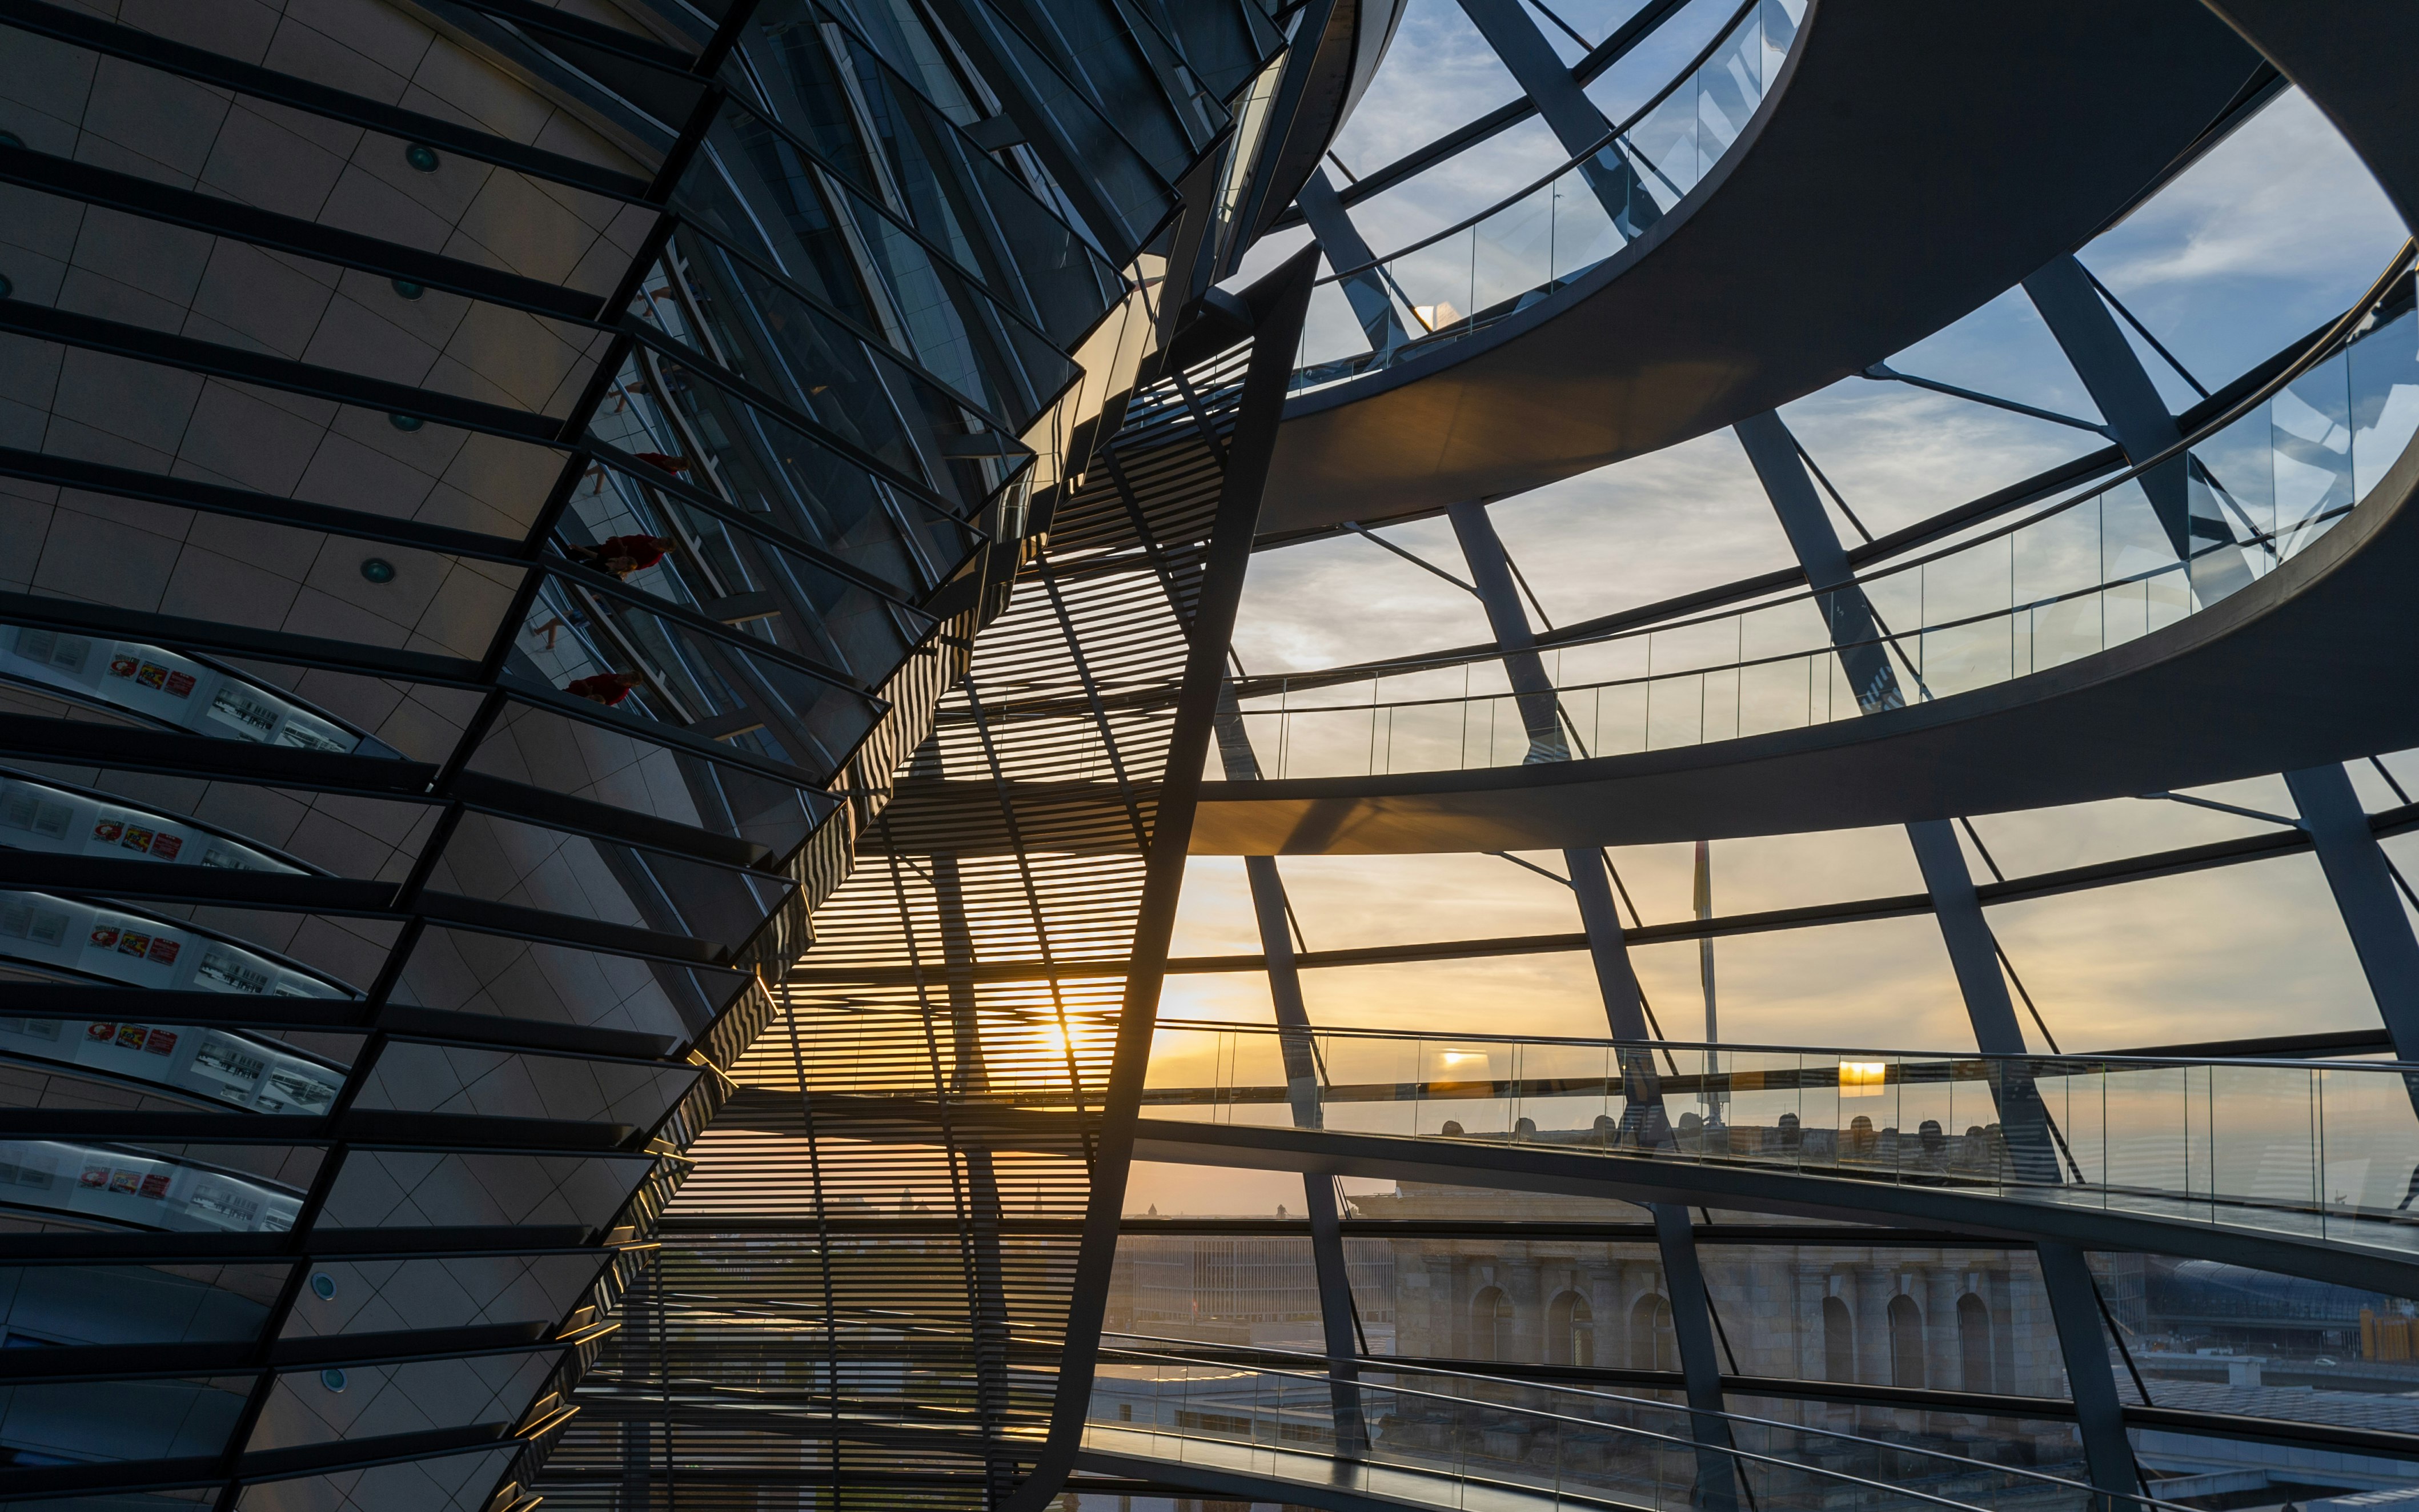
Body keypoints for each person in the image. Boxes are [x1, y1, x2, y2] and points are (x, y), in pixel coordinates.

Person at [565, 534, 673, 578]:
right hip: (607, 550)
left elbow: (633, 565)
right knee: (581, 553)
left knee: (586, 566)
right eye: (659, 539)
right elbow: (632, 538)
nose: (656, 541)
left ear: (663, 549)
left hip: (611, 560)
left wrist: (623, 553)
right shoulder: (651, 539)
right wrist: (618, 540)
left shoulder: (653, 557)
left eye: (659, 544)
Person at [566, 670, 643, 706]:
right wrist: (580, 682)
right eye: (625, 675)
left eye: (626, 679)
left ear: (630, 685)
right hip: (574, 690)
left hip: (579, 699)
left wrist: (589, 693)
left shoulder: (619, 693)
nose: (622, 677)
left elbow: (601, 704)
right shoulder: (616, 676)